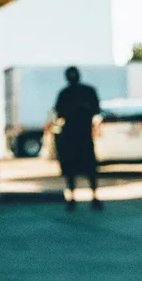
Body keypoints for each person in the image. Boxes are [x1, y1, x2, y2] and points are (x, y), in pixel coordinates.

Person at [53, 66, 102, 211]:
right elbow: (97, 109)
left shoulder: (66, 93)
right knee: (85, 168)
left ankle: (77, 198)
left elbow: (59, 112)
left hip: (75, 135)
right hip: (80, 135)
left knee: (75, 168)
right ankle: (90, 198)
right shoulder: (85, 91)